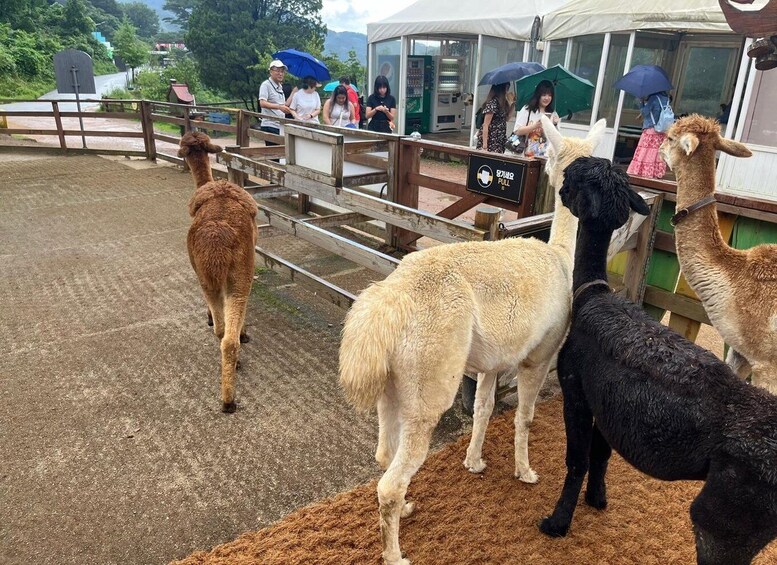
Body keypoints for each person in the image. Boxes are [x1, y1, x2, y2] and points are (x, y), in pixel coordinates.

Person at [627, 90, 671, 179]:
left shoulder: (653, 98)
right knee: (656, 152)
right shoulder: (666, 99)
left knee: (646, 150)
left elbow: (645, 112)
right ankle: (655, 172)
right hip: (661, 130)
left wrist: (641, 102)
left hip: (651, 129)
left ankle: (643, 172)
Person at [512, 80, 560, 158]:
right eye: (544, 95)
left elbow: (556, 139)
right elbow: (517, 131)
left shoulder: (553, 114)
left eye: (550, 95)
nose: (547, 98)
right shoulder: (527, 110)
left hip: (546, 157)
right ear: (538, 95)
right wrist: (534, 126)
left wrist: (555, 124)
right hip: (527, 156)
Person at [258, 59, 290, 146]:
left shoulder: (280, 86)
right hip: (270, 125)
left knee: (279, 155)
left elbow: (282, 104)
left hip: (279, 125)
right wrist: (279, 107)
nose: (280, 73)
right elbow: (262, 103)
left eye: (282, 71)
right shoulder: (266, 85)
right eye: (278, 71)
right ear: (271, 72)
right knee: (274, 155)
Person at [476, 82, 513, 153]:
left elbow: (507, 118)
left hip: (499, 137)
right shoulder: (493, 103)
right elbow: (486, 124)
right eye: (507, 88)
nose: (507, 91)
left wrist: (513, 105)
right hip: (491, 138)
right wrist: (484, 146)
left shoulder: (504, 103)